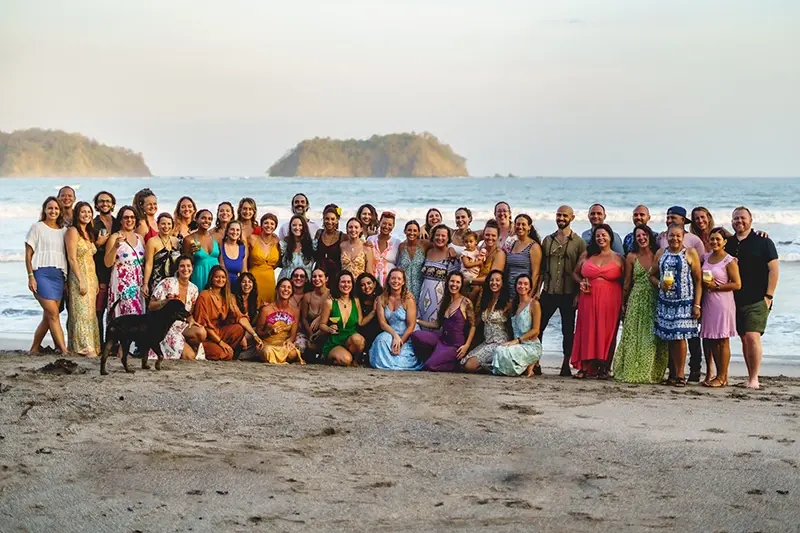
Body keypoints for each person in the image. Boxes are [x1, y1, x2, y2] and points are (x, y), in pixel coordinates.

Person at [725, 207, 779, 390]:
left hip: (758, 298)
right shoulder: (729, 243)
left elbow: (774, 270)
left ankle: (754, 379)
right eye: (735, 218)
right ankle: (749, 376)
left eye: (742, 218)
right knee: (744, 338)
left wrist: (769, 296)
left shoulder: (764, 242)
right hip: (735, 299)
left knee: (752, 336)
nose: (739, 221)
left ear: (751, 220)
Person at [613, 224, 668, 384]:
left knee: (652, 337)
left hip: (655, 297)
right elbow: (627, 282)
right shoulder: (631, 256)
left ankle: (651, 371)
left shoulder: (659, 253)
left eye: (644, 235)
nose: (642, 238)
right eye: (638, 236)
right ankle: (631, 370)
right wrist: (624, 303)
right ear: (635, 239)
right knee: (634, 336)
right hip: (637, 298)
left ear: (650, 236)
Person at [650, 223, 702, 387]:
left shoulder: (690, 253)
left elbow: (698, 280)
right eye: (671, 235)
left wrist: (697, 304)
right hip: (666, 302)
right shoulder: (661, 252)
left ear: (683, 237)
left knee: (680, 337)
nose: (675, 238)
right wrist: (660, 284)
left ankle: (680, 375)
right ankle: (673, 373)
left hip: (684, 302)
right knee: (670, 338)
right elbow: (651, 275)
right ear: (666, 236)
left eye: (678, 235)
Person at [538, 205, 587, 377]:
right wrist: (537, 291)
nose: (561, 218)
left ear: (572, 218)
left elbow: (582, 271)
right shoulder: (548, 240)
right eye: (558, 215)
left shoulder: (579, 243)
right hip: (549, 291)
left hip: (568, 294)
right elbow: (542, 268)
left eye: (565, 216)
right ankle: (535, 361)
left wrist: (578, 296)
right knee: (539, 327)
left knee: (567, 330)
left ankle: (565, 364)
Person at [571, 224, 624, 379]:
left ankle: (604, 367)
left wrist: (623, 303)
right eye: (597, 236)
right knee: (586, 331)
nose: (601, 238)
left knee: (607, 332)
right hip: (588, 297)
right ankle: (585, 367)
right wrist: (580, 282)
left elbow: (625, 281)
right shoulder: (587, 255)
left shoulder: (619, 258)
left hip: (611, 299)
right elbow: (575, 273)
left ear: (610, 237)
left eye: (604, 235)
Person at [25, 197, 69, 354]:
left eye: (56, 209)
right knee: (53, 313)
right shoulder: (37, 228)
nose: (53, 211)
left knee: (48, 317)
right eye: (50, 208)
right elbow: (28, 255)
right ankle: (64, 349)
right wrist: (31, 276)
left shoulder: (64, 231)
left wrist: (66, 280)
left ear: (60, 211)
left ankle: (34, 348)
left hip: (58, 276)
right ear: (44, 209)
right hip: (41, 274)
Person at [700, 227, 741, 388]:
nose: (714, 242)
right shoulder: (706, 257)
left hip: (722, 302)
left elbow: (737, 284)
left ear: (724, 242)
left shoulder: (729, 260)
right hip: (708, 301)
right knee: (711, 340)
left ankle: (722, 376)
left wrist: (716, 287)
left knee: (722, 340)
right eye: (712, 239)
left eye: (718, 239)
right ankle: (717, 375)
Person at [193, 266, 262, 360]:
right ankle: (207, 349)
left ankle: (225, 349)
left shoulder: (227, 297)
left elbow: (240, 317)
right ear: (211, 278)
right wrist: (221, 342)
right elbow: (204, 326)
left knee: (239, 328)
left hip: (219, 332)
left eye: (223, 277)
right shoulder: (204, 295)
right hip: (207, 336)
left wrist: (255, 335)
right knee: (226, 355)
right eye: (217, 277)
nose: (220, 279)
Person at [413, 271, 476, 372]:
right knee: (416, 335)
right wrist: (416, 321)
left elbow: (473, 326)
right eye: (452, 281)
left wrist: (466, 345)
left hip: (454, 345)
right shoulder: (445, 301)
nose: (454, 284)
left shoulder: (466, 302)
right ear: (447, 283)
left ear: (461, 285)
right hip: (442, 340)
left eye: (457, 282)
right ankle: (437, 355)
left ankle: (455, 366)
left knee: (429, 366)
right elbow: (437, 324)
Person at [147, 255, 207, 360]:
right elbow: (150, 306)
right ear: (178, 269)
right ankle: (181, 349)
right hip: (165, 325)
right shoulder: (167, 283)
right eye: (182, 266)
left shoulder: (194, 289)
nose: (185, 269)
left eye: (188, 266)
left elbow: (189, 313)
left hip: (181, 324)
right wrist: (166, 301)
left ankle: (186, 345)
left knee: (201, 332)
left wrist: (191, 319)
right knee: (190, 356)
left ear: (192, 268)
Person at [369, 268, 422, 370]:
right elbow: (383, 323)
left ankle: (398, 363)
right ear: (388, 280)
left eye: (399, 279)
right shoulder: (381, 298)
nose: (396, 281)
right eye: (393, 278)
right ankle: (385, 364)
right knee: (381, 339)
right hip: (391, 332)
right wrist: (395, 336)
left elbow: (411, 325)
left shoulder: (408, 299)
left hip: (408, 334)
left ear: (403, 282)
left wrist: (400, 342)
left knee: (402, 355)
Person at [491, 274, 543, 377]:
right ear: (515, 286)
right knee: (498, 350)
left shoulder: (534, 304)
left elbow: (536, 330)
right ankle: (523, 367)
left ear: (530, 287)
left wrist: (517, 340)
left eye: (525, 284)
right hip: (517, 345)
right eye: (519, 283)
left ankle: (528, 364)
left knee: (503, 352)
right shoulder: (513, 304)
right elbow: (498, 313)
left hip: (531, 346)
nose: (522, 286)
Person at [65, 201, 100, 356]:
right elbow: (72, 258)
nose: (86, 215)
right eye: (83, 212)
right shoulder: (73, 231)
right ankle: (83, 347)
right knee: (81, 312)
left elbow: (91, 259)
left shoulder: (89, 233)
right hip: (78, 276)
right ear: (77, 214)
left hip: (91, 276)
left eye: (89, 212)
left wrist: (95, 280)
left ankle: (92, 345)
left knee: (90, 312)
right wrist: (81, 279)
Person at [462, 270, 511, 373]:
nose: (494, 283)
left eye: (497, 280)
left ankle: (493, 366)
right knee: (463, 363)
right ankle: (492, 365)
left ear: (502, 283)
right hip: (487, 342)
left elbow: (513, 324)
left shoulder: (507, 303)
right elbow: (475, 323)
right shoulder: (486, 301)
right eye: (491, 280)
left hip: (500, 344)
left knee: (469, 366)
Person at [104, 206, 145, 322]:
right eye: (126, 217)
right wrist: (115, 247)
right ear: (121, 220)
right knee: (126, 316)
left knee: (138, 317)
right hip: (122, 284)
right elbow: (107, 263)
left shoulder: (140, 238)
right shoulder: (115, 237)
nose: (129, 220)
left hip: (138, 284)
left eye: (132, 217)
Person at [319, 270, 366, 366]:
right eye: (343, 282)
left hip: (350, 339)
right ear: (338, 284)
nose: (346, 285)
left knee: (359, 340)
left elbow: (361, 322)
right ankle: (332, 357)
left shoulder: (356, 301)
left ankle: (355, 361)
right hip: (335, 341)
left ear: (352, 284)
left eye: (349, 282)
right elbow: (321, 325)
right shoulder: (330, 302)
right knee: (346, 360)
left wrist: (374, 311)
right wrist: (329, 329)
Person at [253, 278, 304, 364]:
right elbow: (258, 332)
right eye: (283, 287)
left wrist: (289, 341)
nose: (286, 290)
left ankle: (277, 358)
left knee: (292, 353)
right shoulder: (266, 309)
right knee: (267, 352)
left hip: (283, 345)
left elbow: (293, 335)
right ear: (277, 289)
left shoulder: (295, 311)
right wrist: (270, 332)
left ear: (291, 291)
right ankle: (279, 359)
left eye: (289, 287)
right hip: (268, 345)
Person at [417, 224, 459, 324]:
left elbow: (454, 281)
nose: (440, 238)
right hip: (423, 296)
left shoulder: (451, 255)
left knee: (436, 326)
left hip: (440, 298)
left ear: (448, 238)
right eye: (437, 235)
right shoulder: (428, 252)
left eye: (443, 236)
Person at [92, 191, 119, 343]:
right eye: (101, 201)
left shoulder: (118, 223)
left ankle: (114, 344)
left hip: (117, 272)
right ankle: (100, 344)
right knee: (99, 310)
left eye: (108, 201)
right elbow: (87, 248)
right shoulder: (93, 224)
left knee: (115, 310)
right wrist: (98, 243)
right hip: (100, 271)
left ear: (113, 204)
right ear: (96, 204)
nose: (105, 204)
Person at [142, 213, 180, 298]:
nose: (166, 226)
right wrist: (145, 284)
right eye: (163, 223)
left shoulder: (176, 241)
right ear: (158, 225)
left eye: (169, 224)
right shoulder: (152, 242)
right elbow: (148, 264)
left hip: (174, 281)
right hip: (157, 281)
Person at [505, 214, 542, 299]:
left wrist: (528, 295)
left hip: (524, 291)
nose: (520, 227)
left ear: (529, 227)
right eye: (518, 224)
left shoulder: (534, 246)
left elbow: (535, 273)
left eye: (523, 224)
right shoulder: (513, 243)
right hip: (510, 290)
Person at [469, 220, 506, 302]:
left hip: (487, 294)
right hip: (472, 291)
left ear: (498, 237)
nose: (490, 238)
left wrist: (469, 280)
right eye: (487, 235)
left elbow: (493, 279)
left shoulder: (499, 254)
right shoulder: (479, 250)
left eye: (493, 235)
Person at [247, 213, 280, 305]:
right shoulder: (252, 239)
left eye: (272, 224)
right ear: (261, 225)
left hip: (270, 280)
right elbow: (244, 258)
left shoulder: (276, 241)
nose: (269, 226)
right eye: (266, 223)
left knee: (269, 309)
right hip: (254, 278)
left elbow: (279, 261)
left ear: (275, 226)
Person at [183, 209, 219, 290]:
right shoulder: (189, 239)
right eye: (203, 218)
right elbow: (185, 262)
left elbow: (221, 260)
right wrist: (191, 253)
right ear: (196, 219)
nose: (207, 221)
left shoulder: (216, 238)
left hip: (216, 276)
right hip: (199, 276)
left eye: (210, 219)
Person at [300, 267, 330, 361]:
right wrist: (310, 334)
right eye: (314, 276)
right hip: (311, 332)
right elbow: (304, 318)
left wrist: (320, 318)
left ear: (326, 279)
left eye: (320, 276)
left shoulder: (332, 294)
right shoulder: (307, 296)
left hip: (327, 330)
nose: (317, 279)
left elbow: (334, 314)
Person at [397, 220, 429, 300]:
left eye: (415, 231)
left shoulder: (424, 244)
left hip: (421, 289)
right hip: (404, 290)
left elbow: (439, 243)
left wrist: (450, 249)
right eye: (409, 230)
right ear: (405, 231)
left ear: (419, 232)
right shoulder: (401, 246)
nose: (412, 233)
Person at [366, 211, 401, 286]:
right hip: (372, 283)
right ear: (379, 223)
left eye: (390, 224)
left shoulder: (397, 242)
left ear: (393, 226)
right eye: (384, 223)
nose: (386, 226)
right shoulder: (371, 240)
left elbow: (399, 264)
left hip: (390, 284)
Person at [278, 215, 316, 281]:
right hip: (286, 283)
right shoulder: (284, 245)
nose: (297, 228)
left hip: (305, 283)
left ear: (304, 227)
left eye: (300, 225)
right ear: (290, 227)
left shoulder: (312, 244)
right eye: (294, 225)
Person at [355, 272, 383, 359]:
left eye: (369, 283)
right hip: (364, 331)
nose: (366, 287)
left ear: (374, 284)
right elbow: (361, 323)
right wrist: (374, 311)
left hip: (380, 330)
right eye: (362, 285)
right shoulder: (358, 300)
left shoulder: (382, 296)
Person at [220, 220, 248, 286]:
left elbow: (244, 271)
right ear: (227, 231)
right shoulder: (221, 246)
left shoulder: (242, 248)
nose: (235, 232)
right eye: (232, 229)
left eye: (238, 230)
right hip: (222, 284)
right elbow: (221, 269)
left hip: (237, 285)